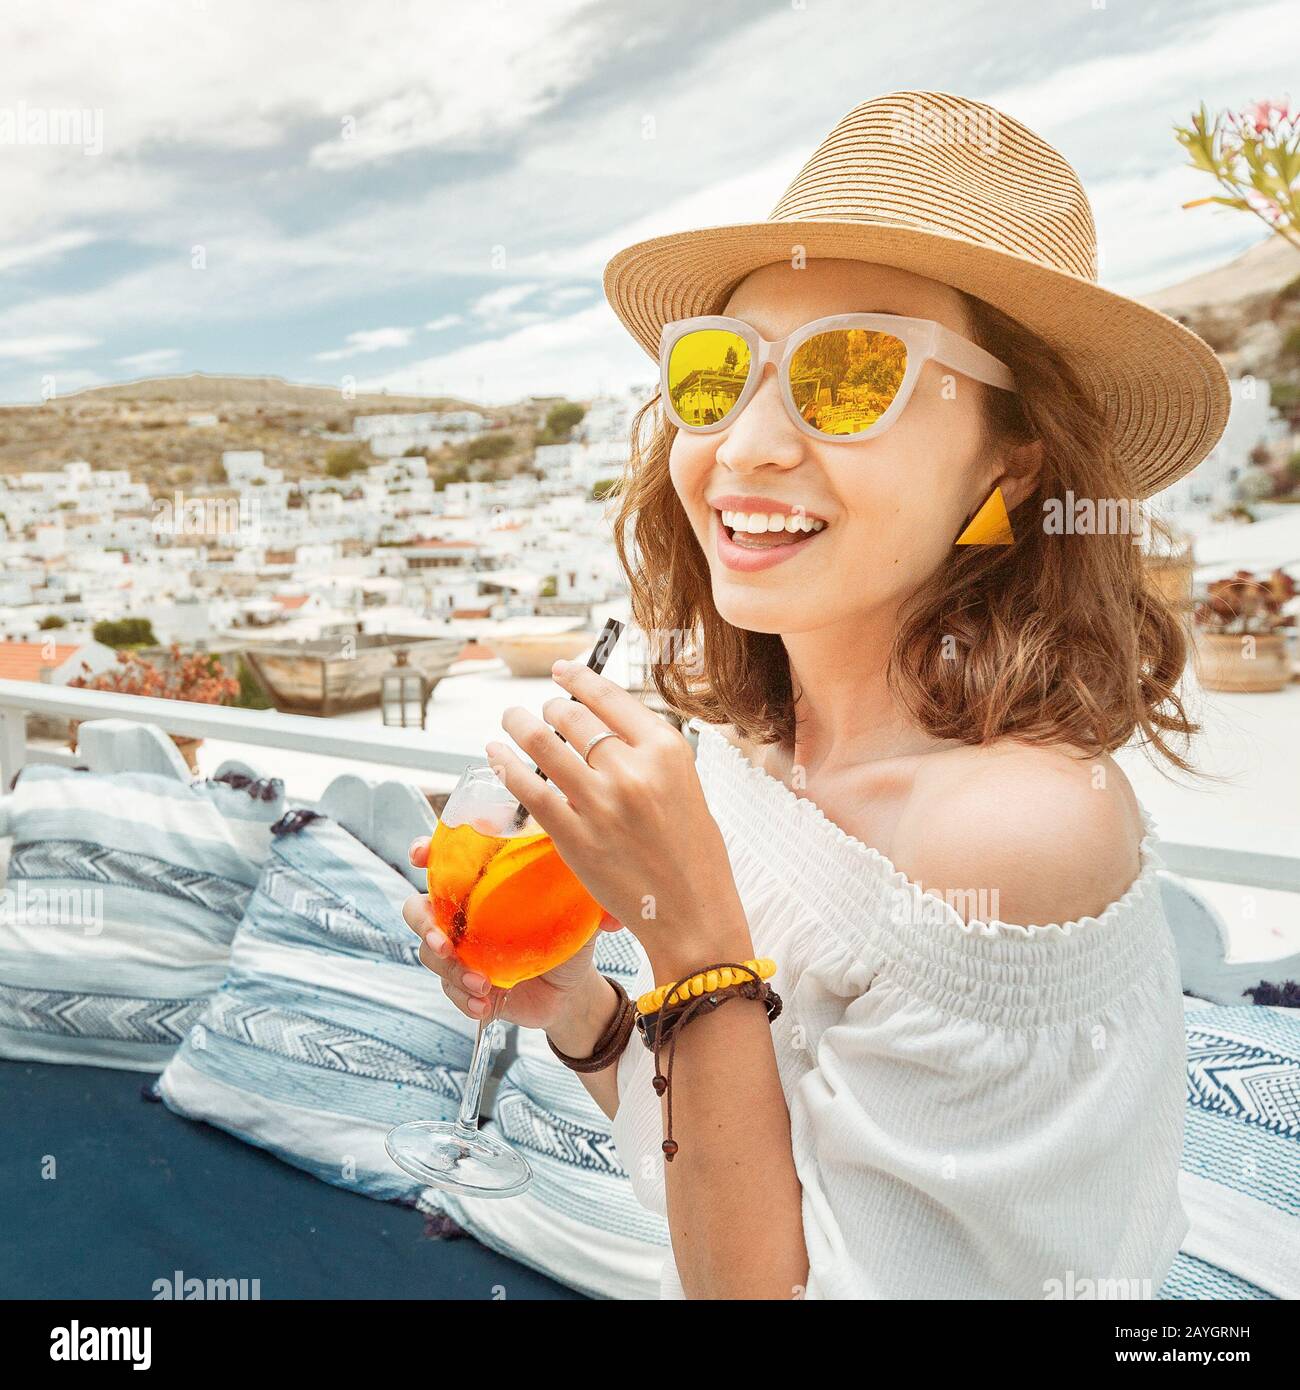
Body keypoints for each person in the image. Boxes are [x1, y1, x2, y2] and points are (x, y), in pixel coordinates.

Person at [404, 90, 1229, 1299]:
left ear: (1009, 459)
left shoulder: (1009, 838)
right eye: (716, 372)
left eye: (851, 374)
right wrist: (582, 1008)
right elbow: (730, 1156)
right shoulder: (755, 751)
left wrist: (695, 943)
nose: (744, 444)